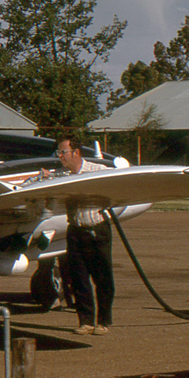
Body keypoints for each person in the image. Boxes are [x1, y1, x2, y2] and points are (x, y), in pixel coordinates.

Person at [56, 135, 114, 336]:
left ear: (76, 153)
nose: (61, 157)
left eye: (63, 152)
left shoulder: (98, 171)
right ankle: (86, 321)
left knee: (103, 277)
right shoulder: (61, 176)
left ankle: (104, 321)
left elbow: (119, 184)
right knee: (79, 278)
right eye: (59, 153)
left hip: (97, 230)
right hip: (75, 230)